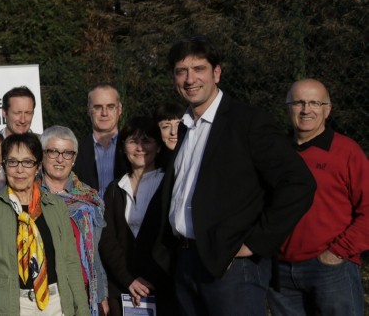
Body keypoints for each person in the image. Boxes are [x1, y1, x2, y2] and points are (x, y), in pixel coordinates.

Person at [156, 36, 315, 316]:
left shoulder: (247, 121)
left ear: (217, 73)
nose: (190, 79)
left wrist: (254, 243)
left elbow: (299, 183)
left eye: (199, 69)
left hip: (231, 267)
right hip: (186, 263)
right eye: (182, 71)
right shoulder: (185, 127)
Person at [268, 79, 368, 316]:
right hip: (280, 270)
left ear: (327, 109)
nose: (306, 110)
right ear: (287, 107)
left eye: (314, 102)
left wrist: (338, 252)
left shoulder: (347, 152)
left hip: (331, 268)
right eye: (299, 102)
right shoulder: (274, 151)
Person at [0, 132, 91, 316]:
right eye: (12, 162)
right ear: (4, 165)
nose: (20, 170)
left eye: (27, 162)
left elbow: (71, 262)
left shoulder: (56, 206)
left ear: (37, 167)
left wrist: (82, 310)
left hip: (56, 304)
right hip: (13, 306)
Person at [98, 117, 175, 316]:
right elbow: (107, 240)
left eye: (147, 141)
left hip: (164, 288)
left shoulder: (170, 184)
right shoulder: (114, 190)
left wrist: (152, 281)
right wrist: (129, 279)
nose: (140, 148)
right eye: (133, 141)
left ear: (158, 147)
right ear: (123, 148)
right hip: (123, 289)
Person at [39, 125, 108, 316]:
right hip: (43, 293)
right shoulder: (29, 195)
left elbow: (97, 252)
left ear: (74, 158)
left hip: (83, 292)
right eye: (53, 152)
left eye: (67, 153)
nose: (60, 159)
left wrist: (101, 294)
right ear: (42, 155)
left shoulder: (89, 199)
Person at [74, 84, 128, 196]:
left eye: (110, 107)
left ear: (120, 109)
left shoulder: (134, 150)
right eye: (98, 107)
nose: (104, 113)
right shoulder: (76, 151)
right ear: (88, 110)